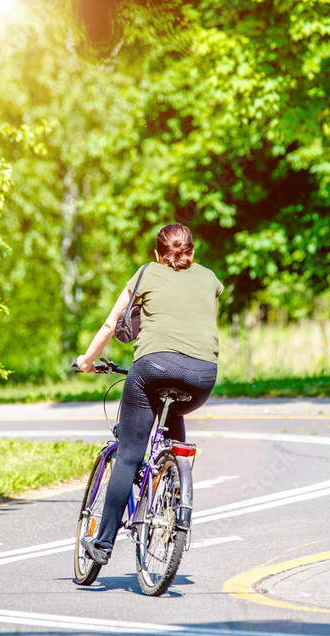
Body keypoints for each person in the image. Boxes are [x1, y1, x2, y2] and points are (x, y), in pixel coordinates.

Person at [75, 223, 223, 566]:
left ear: (158, 254)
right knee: (174, 419)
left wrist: (87, 361)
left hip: (152, 370)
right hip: (202, 377)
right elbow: (206, 326)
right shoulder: (210, 278)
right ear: (193, 252)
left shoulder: (147, 273)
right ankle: (173, 495)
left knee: (128, 454)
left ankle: (104, 544)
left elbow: (112, 324)